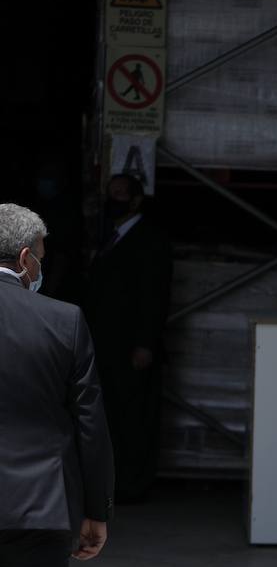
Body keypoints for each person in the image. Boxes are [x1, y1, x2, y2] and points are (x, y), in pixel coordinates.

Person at [0, 203, 114, 567]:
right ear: (24, 260)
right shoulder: (64, 321)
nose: (43, 266)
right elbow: (90, 426)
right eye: (41, 255)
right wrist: (95, 510)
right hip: (38, 508)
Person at [83, 174, 173, 504]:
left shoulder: (150, 240)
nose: (114, 199)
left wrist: (145, 343)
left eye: (121, 194)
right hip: (109, 345)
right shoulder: (113, 238)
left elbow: (155, 295)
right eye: (111, 193)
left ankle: (134, 484)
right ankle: (116, 482)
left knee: (134, 417)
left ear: (136, 200)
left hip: (132, 347)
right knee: (114, 415)